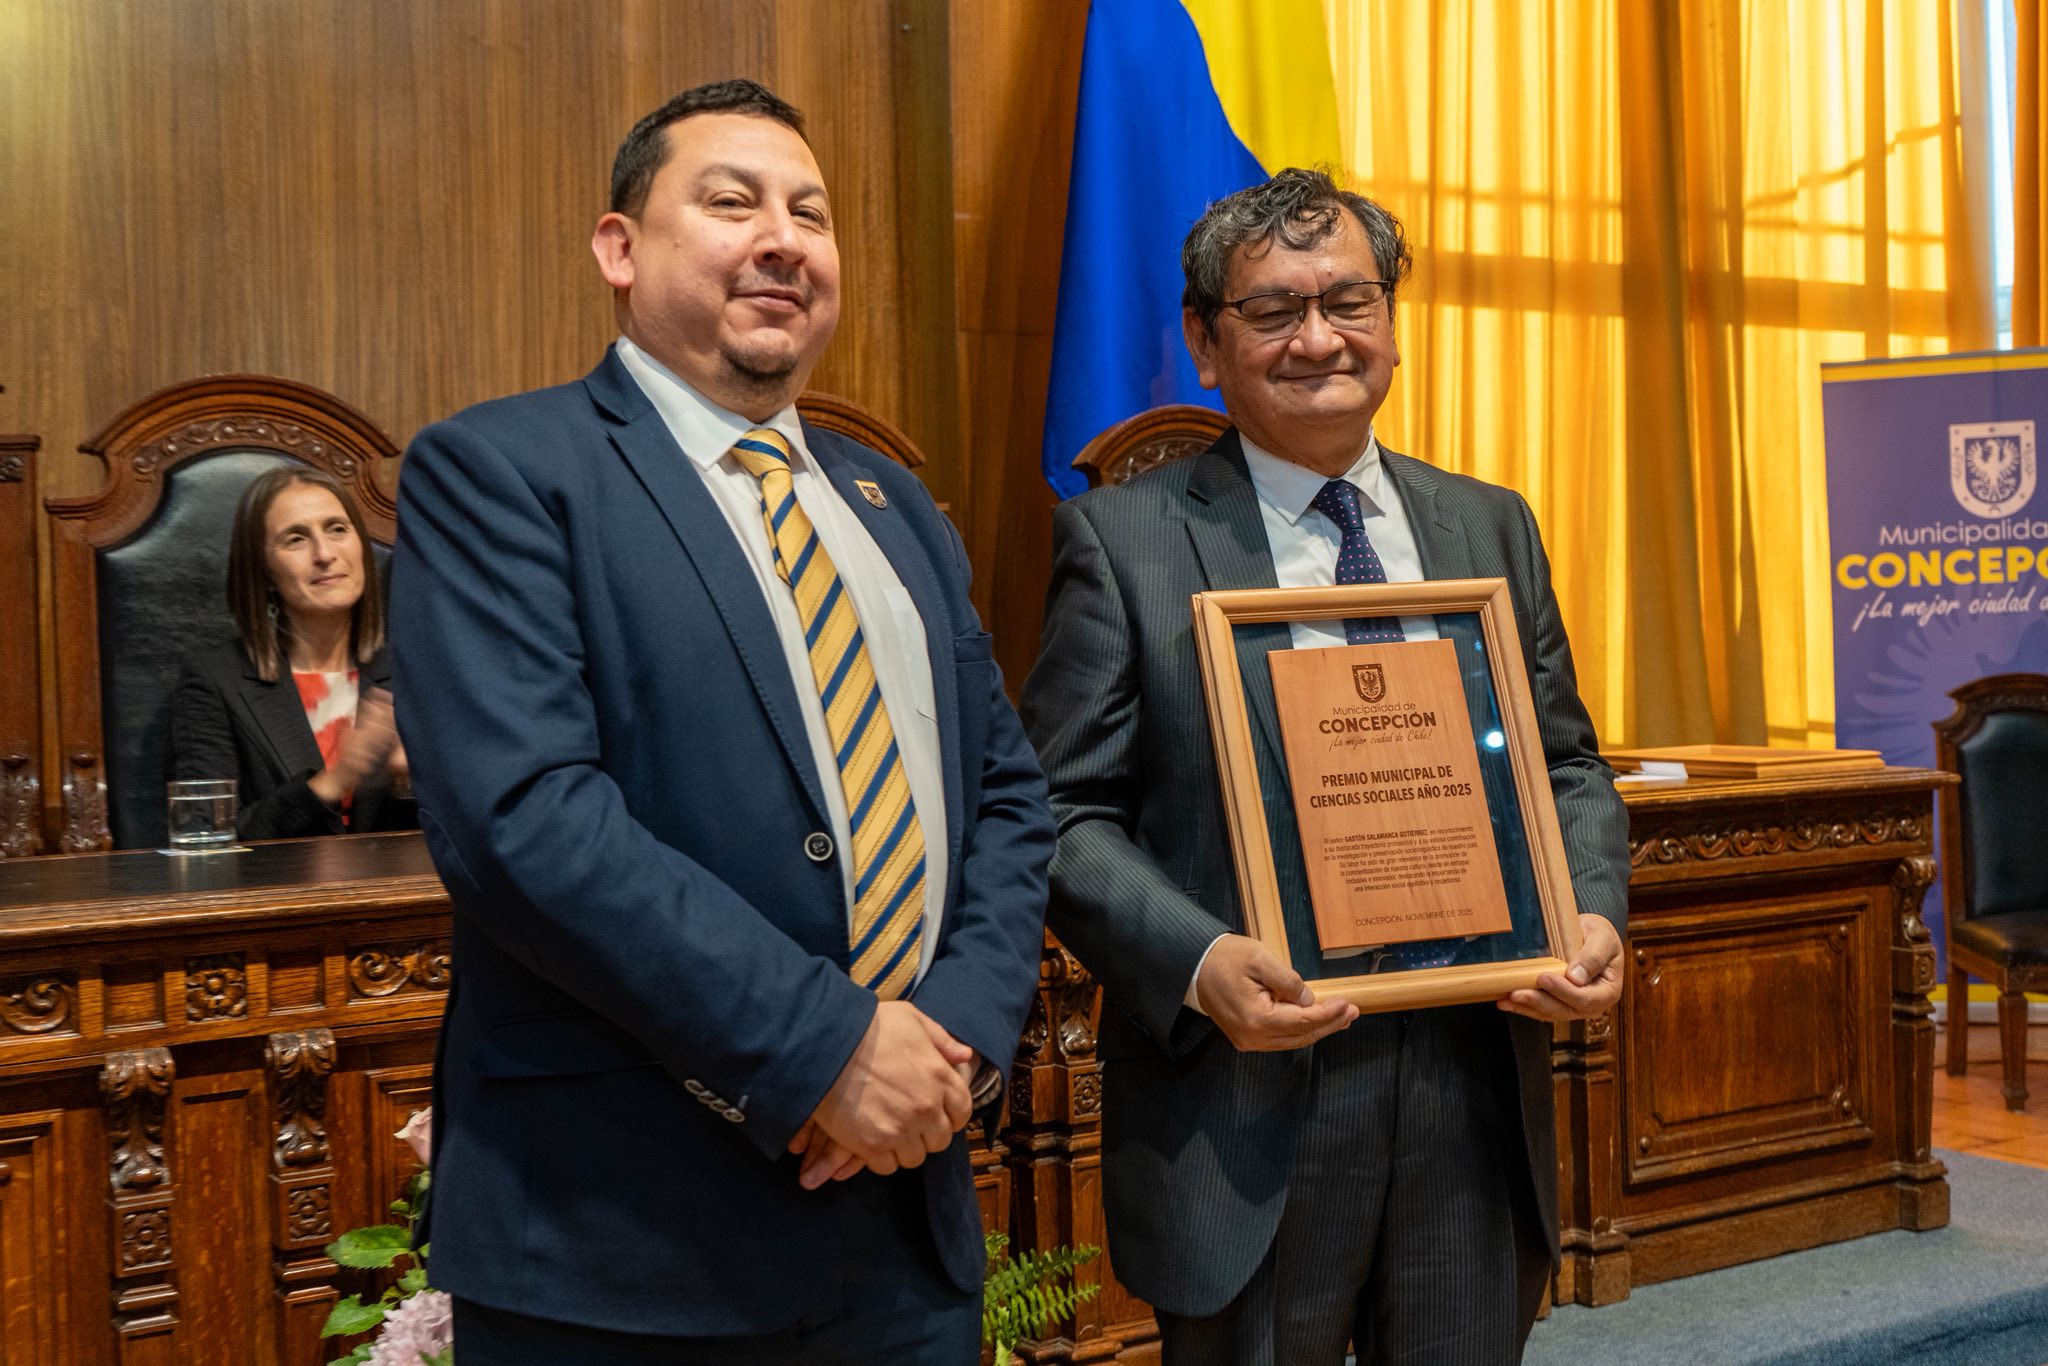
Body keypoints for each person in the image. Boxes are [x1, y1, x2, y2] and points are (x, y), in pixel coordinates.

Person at [387, 79, 1053, 1364]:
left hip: (903, 1235)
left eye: (811, 212)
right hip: (625, 1246)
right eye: (732, 202)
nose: (782, 239)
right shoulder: (504, 472)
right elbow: (525, 823)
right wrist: (826, 1049)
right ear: (620, 249)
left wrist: (951, 1043)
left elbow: (1008, 799)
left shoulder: (894, 506)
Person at [1020, 168, 1631, 1365]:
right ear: (1205, 344)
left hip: (1468, 1083)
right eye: (1271, 310)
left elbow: (1565, 762)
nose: (1317, 338)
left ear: (1390, 323)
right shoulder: (1124, 541)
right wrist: (1198, 961)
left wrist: (1592, 907)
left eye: (1348, 301)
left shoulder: (1488, 524)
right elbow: (1057, 809)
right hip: (1247, 1099)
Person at [168, 466, 413, 839]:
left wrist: (411, 782)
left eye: (337, 529)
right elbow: (203, 835)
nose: (325, 554)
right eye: (296, 539)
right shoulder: (215, 680)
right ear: (265, 572)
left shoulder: (413, 670)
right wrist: (331, 783)